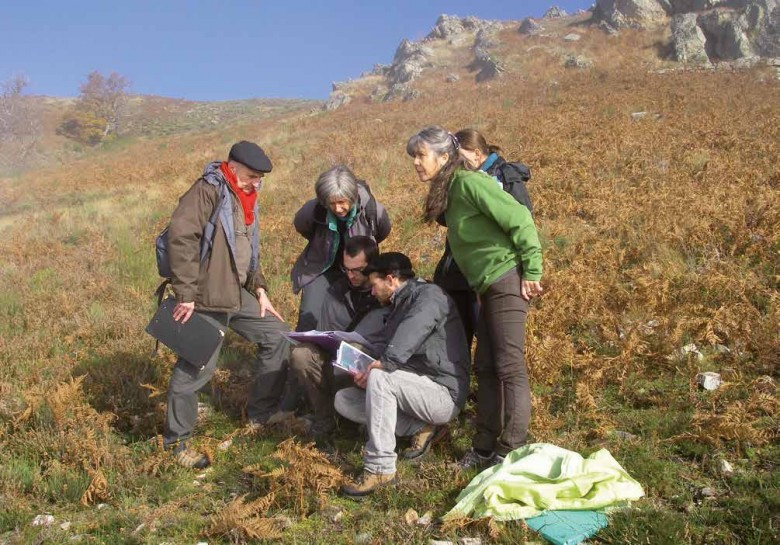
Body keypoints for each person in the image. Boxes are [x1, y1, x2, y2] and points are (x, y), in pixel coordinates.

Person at [407, 126, 543, 470]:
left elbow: (520, 218)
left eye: (421, 155)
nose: (416, 163)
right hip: (486, 286)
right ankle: (483, 447)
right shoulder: (452, 190)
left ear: (444, 156)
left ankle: (510, 450)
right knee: (485, 367)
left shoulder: (469, 183)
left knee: (509, 366)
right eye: (414, 156)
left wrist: (532, 270)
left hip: (506, 278)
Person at [163, 141, 291, 469]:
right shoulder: (209, 190)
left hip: (235, 292)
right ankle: (177, 444)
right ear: (232, 167)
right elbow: (180, 235)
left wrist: (259, 288)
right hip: (205, 296)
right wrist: (186, 294)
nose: (256, 183)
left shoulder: (246, 197)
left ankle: (260, 416)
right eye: (251, 176)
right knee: (196, 365)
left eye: (260, 178)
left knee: (277, 335)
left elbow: (248, 249)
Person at [334, 252, 470, 497]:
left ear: (391, 279)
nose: (372, 293)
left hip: (442, 393)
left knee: (380, 377)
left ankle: (380, 468)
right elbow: (390, 348)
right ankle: (421, 425)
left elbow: (408, 336)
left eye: (374, 285)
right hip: (414, 389)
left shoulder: (429, 296)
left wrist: (380, 365)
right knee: (344, 400)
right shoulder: (398, 304)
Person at [434, 128, 533, 349]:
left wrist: (529, 270)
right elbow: (442, 217)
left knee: (499, 351)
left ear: (477, 154)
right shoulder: (458, 182)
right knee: (464, 343)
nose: (452, 162)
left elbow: (522, 219)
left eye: (457, 155)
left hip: (494, 272)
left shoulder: (502, 178)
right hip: (462, 272)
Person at [289, 236, 388, 445]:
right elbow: (325, 335)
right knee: (301, 354)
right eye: (346, 269)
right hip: (336, 362)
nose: (350, 275)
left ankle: (357, 421)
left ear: (372, 266)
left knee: (354, 349)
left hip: (373, 371)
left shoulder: (387, 294)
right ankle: (325, 418)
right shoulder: (335, 291)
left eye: (357, 270)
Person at [291, 165, 391, 332]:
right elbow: (302, 226)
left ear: (352, 197)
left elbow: (383, 231)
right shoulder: (313, 210)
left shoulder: (373, 211)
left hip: (360, 270)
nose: (338, 209)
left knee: (356, 317)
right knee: (310, 318)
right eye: (332, 203)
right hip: (321, 268)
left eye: (342, 202)